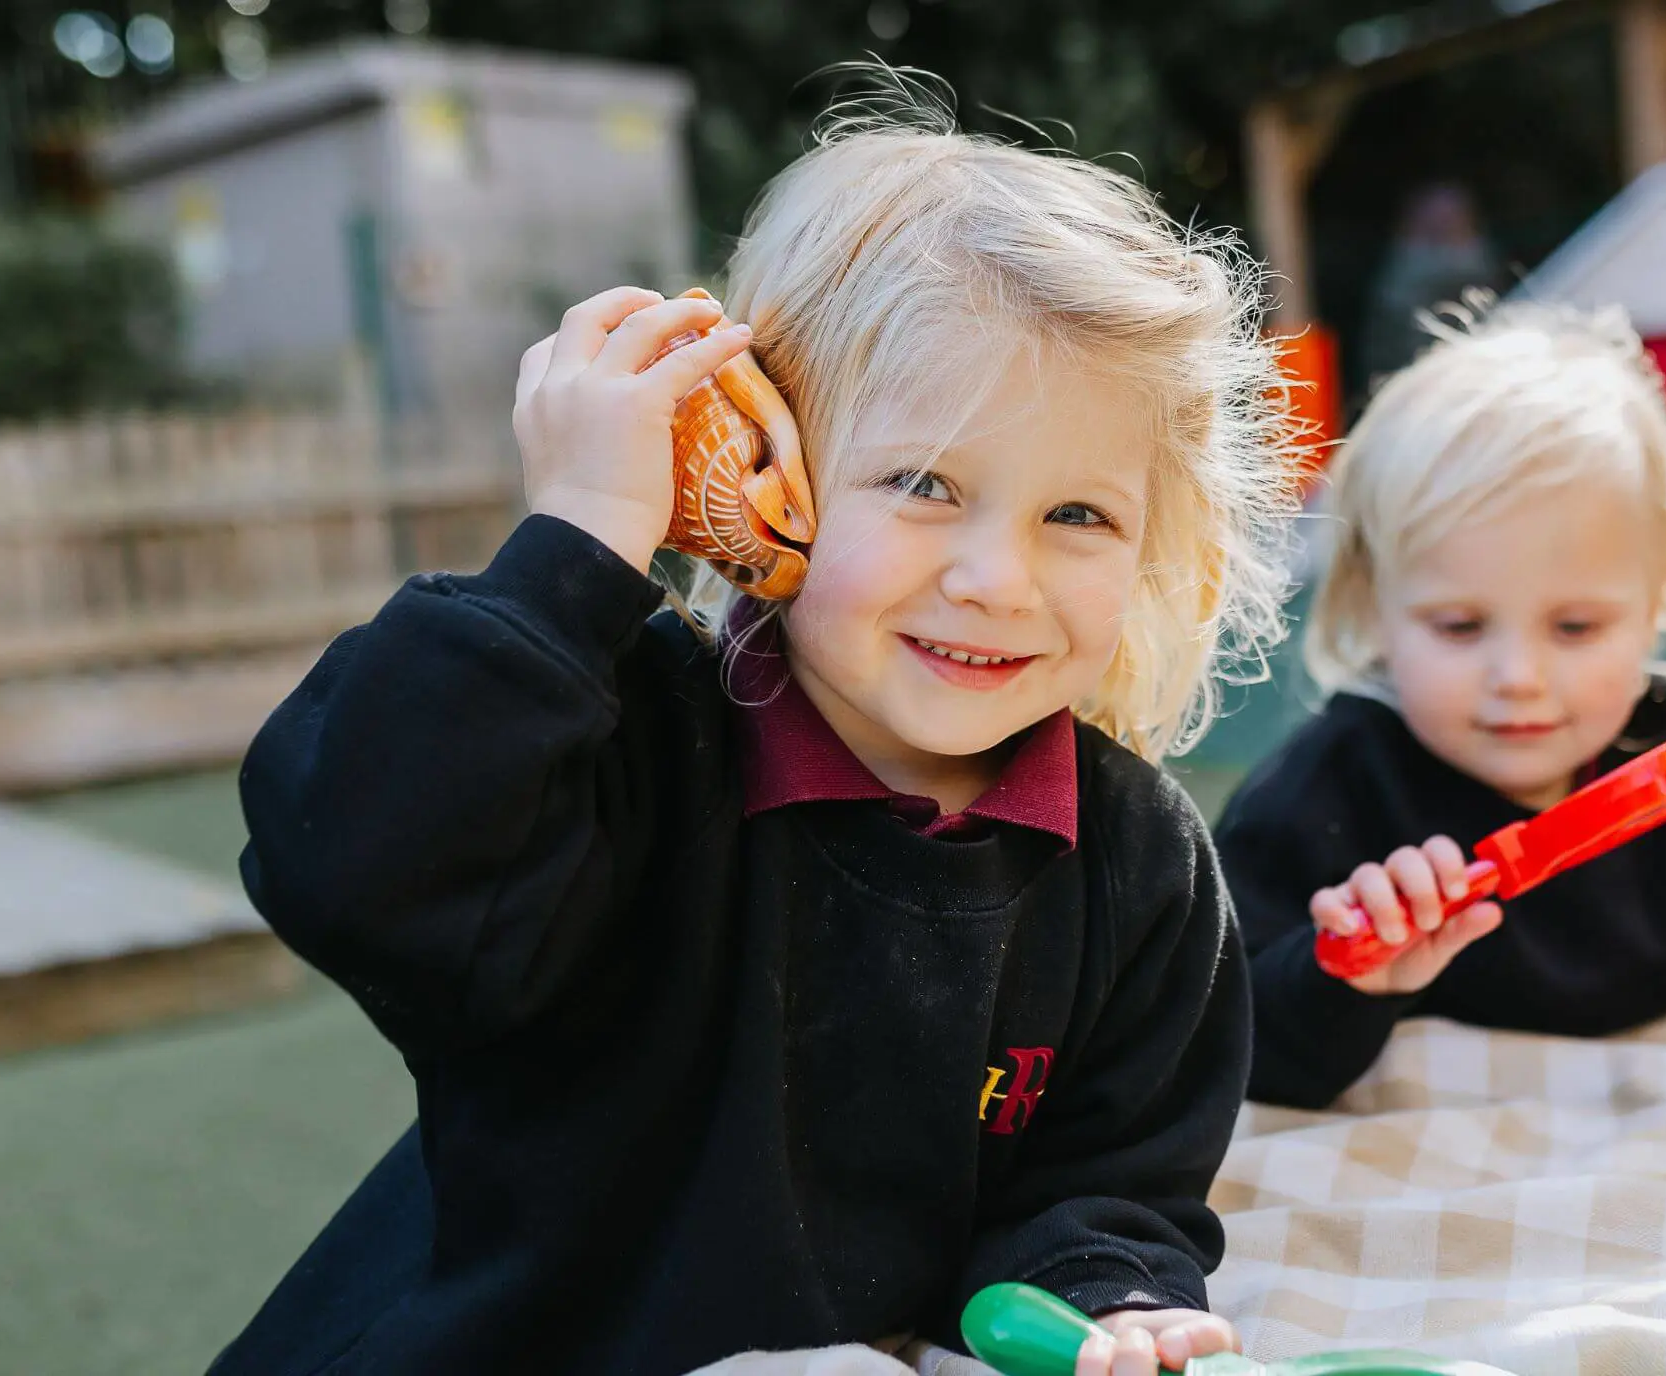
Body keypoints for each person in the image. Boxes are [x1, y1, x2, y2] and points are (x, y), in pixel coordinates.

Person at [208, 80, 1299, 1376]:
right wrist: (577, 542)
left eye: (1080, 516)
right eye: (924, 484)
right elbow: (348, 864)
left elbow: (1108, 1181)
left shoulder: (1141, 865)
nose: (999, 578)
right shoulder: (618, 739)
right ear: (756, 468)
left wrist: (1106, 1294)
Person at [1218, 304, 1666, 1112]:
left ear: (1653, 609)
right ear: (1374, 610)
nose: (1519, 677)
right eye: (1460, 626)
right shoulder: (1321, 796)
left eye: (1575, 627)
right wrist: (1344, 977)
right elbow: (1232, 1046)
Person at [1360, 182, 1502, 384]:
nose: (1440, 242)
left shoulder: (1493, 295)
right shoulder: (1393, 300)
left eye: (1452, 228)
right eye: (1430, 230)